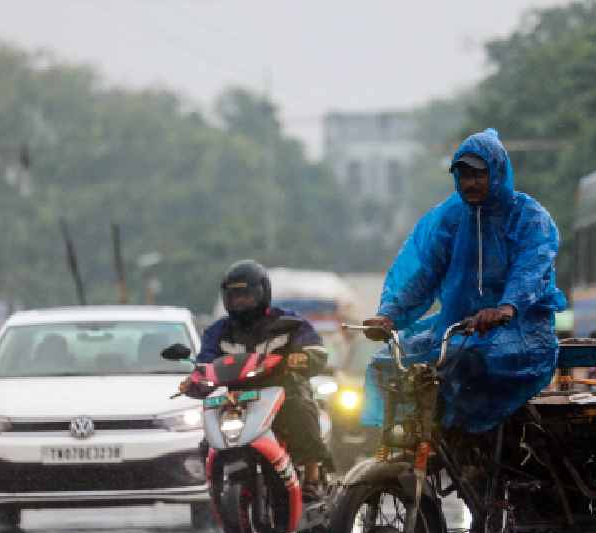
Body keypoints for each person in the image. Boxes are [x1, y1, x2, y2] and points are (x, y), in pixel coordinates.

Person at [361, 128, 567, 433]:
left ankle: (489, 447)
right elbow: (426, 275)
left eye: (478, 174)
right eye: (463, 175)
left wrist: (506, 308)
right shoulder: (451, 218)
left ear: (497, 171)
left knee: (469, 360)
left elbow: (531, 268)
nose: (470, 183)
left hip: (521, 330)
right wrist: (389, 314)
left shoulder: (529, 217)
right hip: (458, 329)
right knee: (389, 362)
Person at [186, 260, 332, 497]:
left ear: (263, 292)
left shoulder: (289, 323)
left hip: (283, 391)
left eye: (246, 294)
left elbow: (315, 348)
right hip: (236, 397)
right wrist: (194, 380)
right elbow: (205, 363)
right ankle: (211, 488)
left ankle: (312, 477)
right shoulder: (218, 332)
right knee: (207, 438)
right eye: (234, 295)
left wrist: (303, 357)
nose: (240, 300)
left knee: (301, 409)